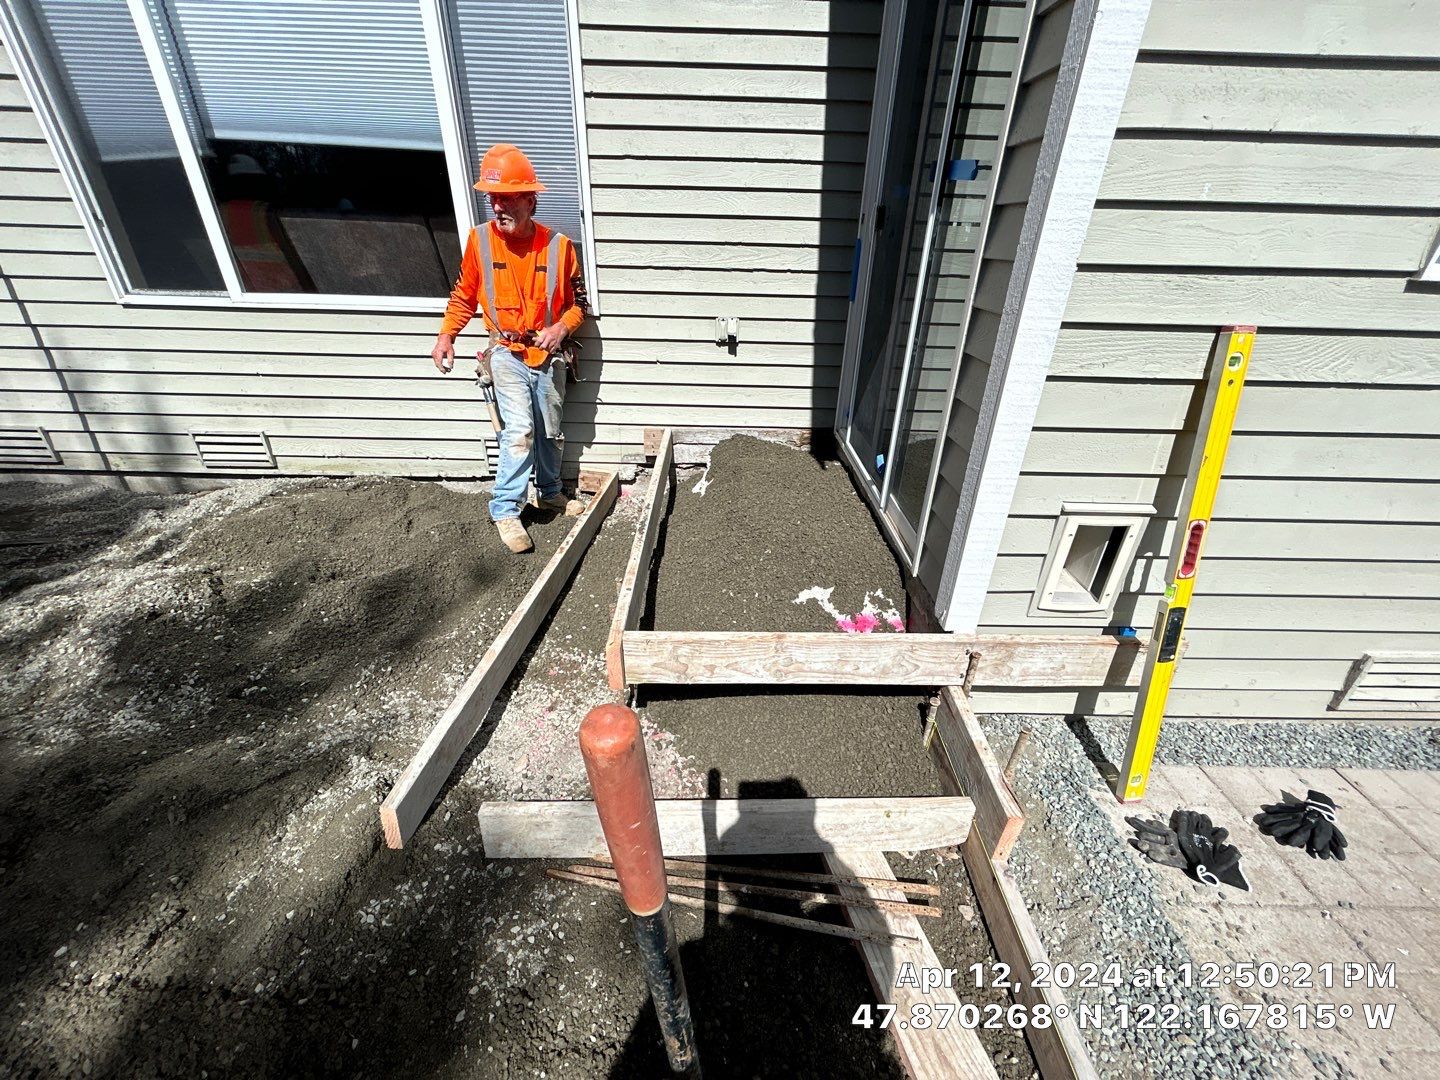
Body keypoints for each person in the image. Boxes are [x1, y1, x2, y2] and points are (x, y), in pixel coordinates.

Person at [431, 143, 590, 553]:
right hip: (505, 353)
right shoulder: (480, 242)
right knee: (519, 431)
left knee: (550, 431)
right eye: (492, 198)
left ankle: (550, 492)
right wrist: (446, 335)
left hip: (549, 354)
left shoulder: (559, 247)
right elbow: (464, 296)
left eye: (505, 198)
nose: (497, 207)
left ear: (529, 199)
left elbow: (579, 306)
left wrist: (559, 329)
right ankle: (505, 510)